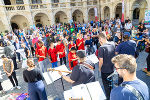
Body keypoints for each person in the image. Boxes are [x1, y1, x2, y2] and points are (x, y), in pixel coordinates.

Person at [98, 32, 115, 100]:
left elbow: (101, 61)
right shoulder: (112, 44)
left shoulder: (101, 48)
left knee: (106, 86)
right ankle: (112, 96)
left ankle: (108, 98)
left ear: (101, 38)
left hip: (105, 70)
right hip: (111, 68)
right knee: (111, 83)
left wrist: (99, 68)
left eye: (99, 39)